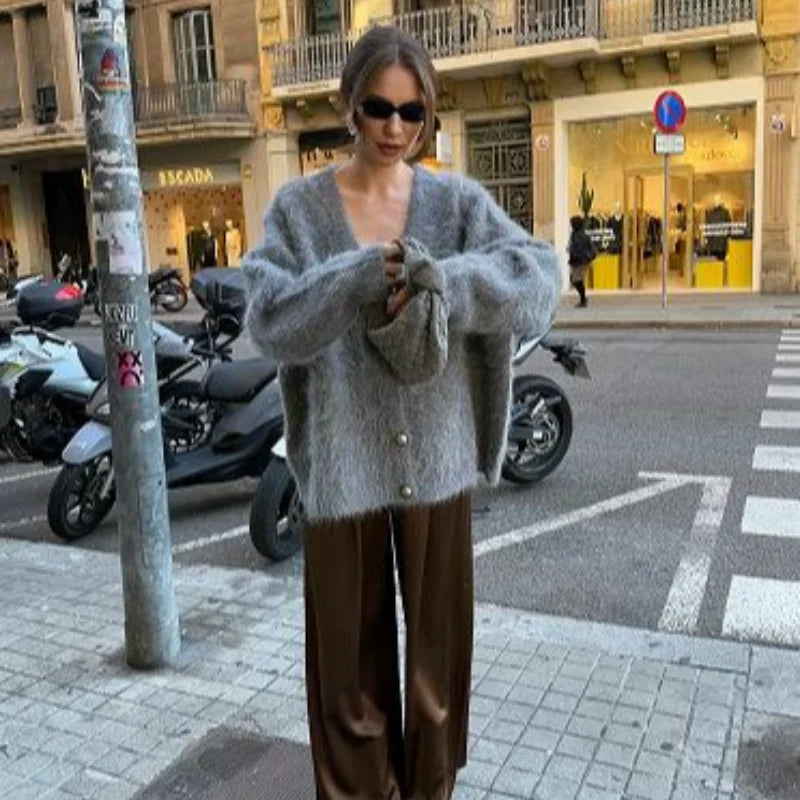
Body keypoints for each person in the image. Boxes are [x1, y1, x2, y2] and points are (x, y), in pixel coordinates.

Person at [242, 26, 560, 800]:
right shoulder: (299, 210)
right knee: (347, 673)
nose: (395, 129)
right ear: (348, 105)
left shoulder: (456, 203)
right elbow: (270, 318)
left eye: (413, 113)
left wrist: (444, 280)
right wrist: (355, 277)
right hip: (344, 465)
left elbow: (538, 279)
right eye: (379, 107)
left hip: (439, 459)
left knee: (437, 666)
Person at [568, 215, 595, 308]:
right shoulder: (574, 234)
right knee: (575, 280)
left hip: (581, 261)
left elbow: (590, 248)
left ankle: (583, 299)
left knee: (576, 280)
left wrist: (587, 256)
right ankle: (583, 299)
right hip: (575, 260)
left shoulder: (582, 235)